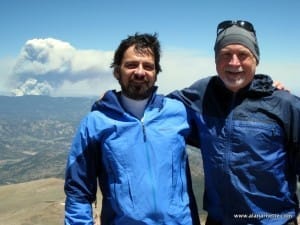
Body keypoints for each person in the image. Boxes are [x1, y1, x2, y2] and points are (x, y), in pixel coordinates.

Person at [170, 20, 300, 225]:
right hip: (218, 220)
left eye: (243, 55)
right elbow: (154, 108)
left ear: (256, 59)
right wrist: (116, 98)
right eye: (225, 55)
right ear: (215, 60)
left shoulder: (285, 105)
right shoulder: (202, 95)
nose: (234, 63)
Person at [64, 33, 200, 225]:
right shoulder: (95, 123)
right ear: (117, 72)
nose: (140, 72)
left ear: (156, 73)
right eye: (131, 65)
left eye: (148, 66)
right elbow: (78, 190)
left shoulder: (178, 112)